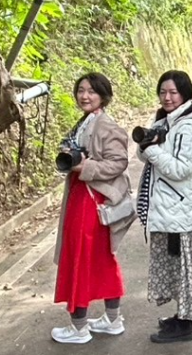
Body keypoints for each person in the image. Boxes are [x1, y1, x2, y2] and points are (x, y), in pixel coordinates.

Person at [50, 73, 132, 344]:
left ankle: (79, 327)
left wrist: (85, 167)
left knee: (81, 259)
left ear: (103, 96)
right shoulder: (86, 121)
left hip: (91, 201)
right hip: (84, 197)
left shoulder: (106, 125)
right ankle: (112, 318)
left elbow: (118, 163)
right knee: (100, 259)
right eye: (81, 90)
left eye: (91, 92)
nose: (84, 96)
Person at [135, 70, 192, 344]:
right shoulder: (165, 121)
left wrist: (152, 150)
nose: (167, 97)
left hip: (179, 210)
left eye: (173, 93)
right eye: (163, 92)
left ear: (185, 94)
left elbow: (181, 169)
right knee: (172, 265)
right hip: (168, 208)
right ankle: (179, 316)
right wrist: (148, 145)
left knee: (184, 268)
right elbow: (141, 153)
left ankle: (186, 322)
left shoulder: (188, 127)